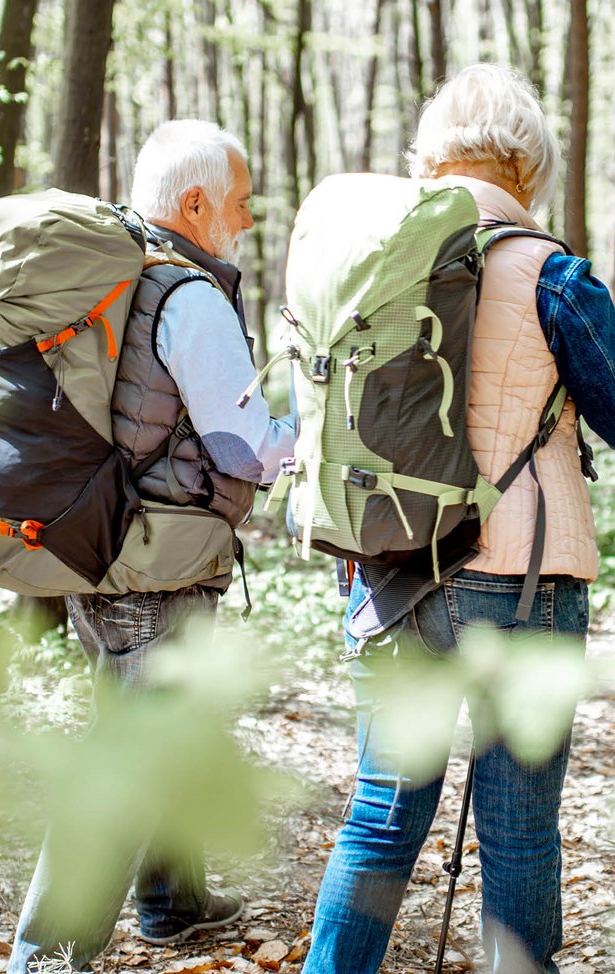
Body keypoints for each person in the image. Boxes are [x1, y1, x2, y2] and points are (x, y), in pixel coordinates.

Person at [301, 64, 615, 974]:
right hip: (522, 586)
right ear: (530, 164)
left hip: (391, 573)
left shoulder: (364, 265)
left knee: (381, 816)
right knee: (518, 834)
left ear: (432, 154)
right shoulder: (553, 273)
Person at [8, 119, 296, 973]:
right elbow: (242, 448)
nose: (245, 222)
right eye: (239, 205)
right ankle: (41, 951)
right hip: (155, 567)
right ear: (196, 201)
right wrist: (310, 437)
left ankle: (174, 904)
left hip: (102, 546)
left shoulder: (119, 276)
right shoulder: (188, 296)